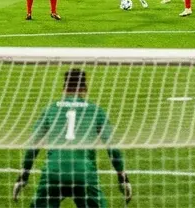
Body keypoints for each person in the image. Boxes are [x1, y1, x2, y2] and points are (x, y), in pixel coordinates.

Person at [13, 68, 131, 207]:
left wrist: (23, 176)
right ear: (84, 88)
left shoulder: (50, 109)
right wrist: (122, 176)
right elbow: (112, 147)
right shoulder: (96, 111)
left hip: (53, 173)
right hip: (84, 174)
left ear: (64, 88)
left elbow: (33, 145)